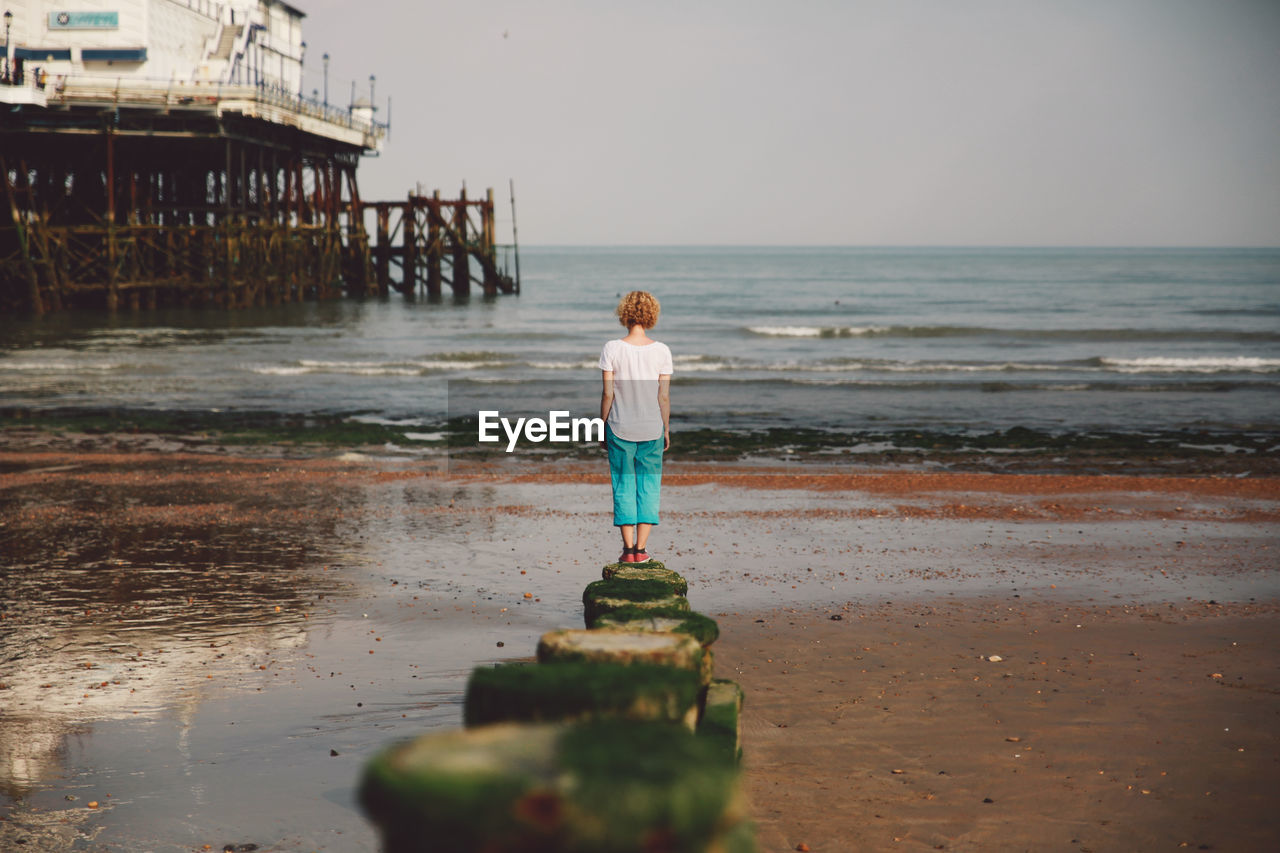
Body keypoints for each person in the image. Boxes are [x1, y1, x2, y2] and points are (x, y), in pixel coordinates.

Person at [598, 291, 672, 563]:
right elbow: (662, 396)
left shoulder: (612, 348)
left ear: (624, 314)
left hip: (619, 428)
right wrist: (665, 428)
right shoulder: (662, 351)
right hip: (651, 429)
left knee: (623, 485)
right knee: (649, 487)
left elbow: (608, 394)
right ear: (652, 315)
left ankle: (628, 550)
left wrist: (601, 426)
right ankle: (641, 550)